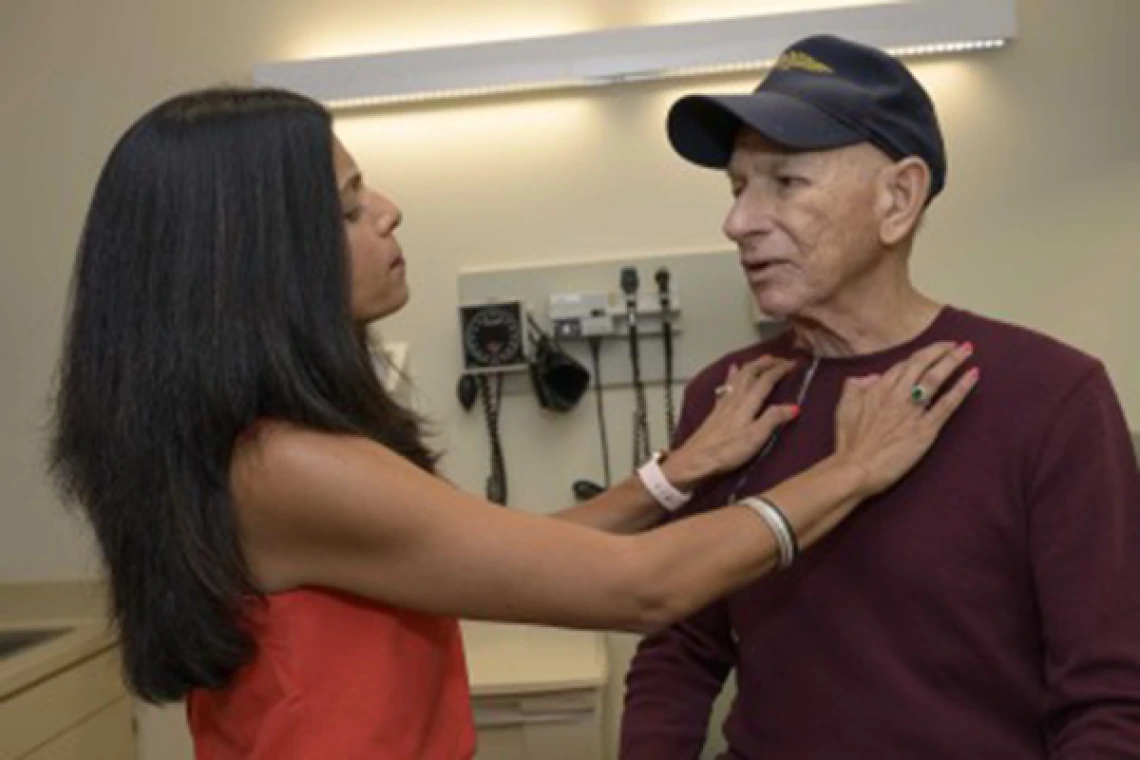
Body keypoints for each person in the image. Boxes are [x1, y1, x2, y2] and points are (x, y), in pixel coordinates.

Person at [49, 86, 976, 760]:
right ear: (261, 260)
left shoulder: (264, 447)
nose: (388, 209)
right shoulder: (282, 464)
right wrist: (850, 469)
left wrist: (675, 474)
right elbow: (640, 591)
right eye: (346, 204)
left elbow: (502, 552)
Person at [620, 34, 1140, 759]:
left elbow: (1111, 699)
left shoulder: (1051, 398)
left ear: (898, 197)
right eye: (738, 187)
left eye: (786, 182)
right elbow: (682, 647)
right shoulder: (729, 399)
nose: (737, 222)